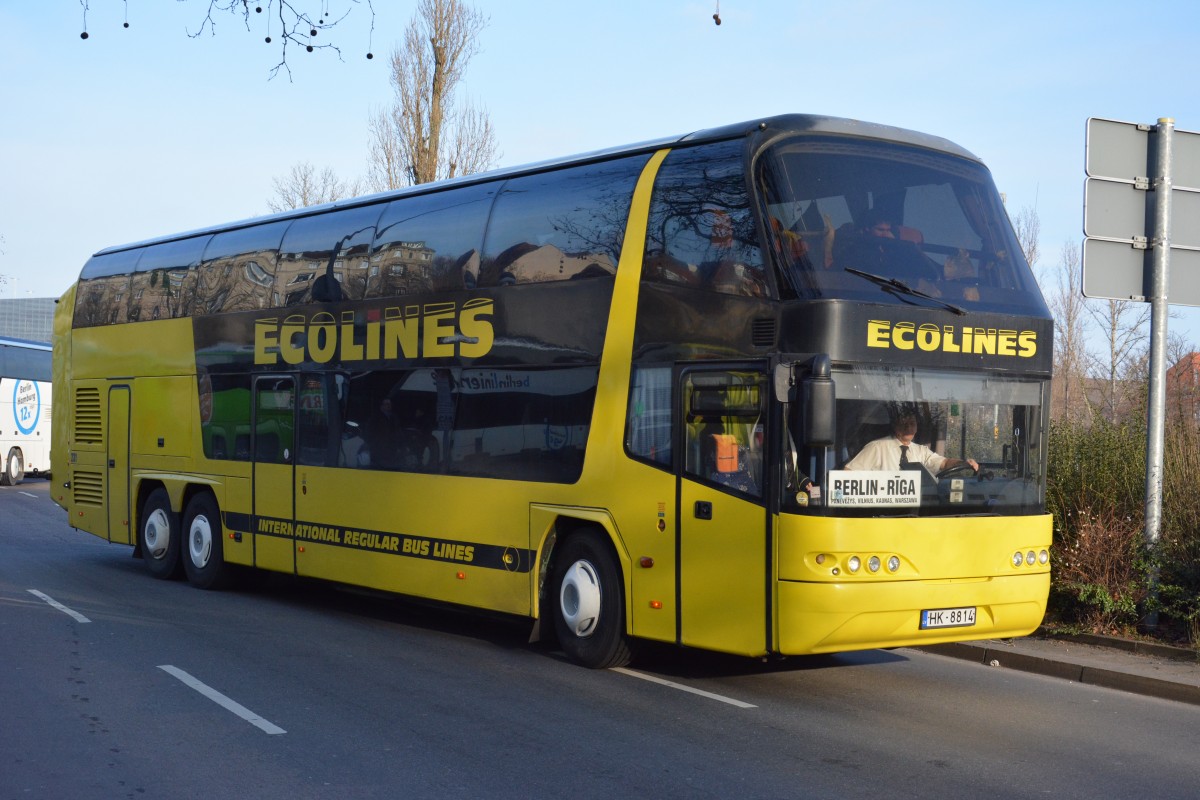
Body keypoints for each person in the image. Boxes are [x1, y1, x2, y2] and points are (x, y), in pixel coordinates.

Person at [845, 412, 978, 476]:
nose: (908, 427)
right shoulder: (877, 447)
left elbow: (944, 463)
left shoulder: (921, 451)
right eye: (904, 424)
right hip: (881, 511)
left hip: (915, 511)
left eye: (912, 424)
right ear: (896, 426)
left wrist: (964, 463)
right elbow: (848, 474)